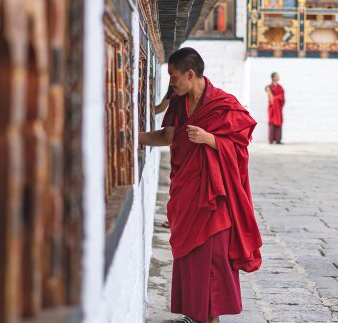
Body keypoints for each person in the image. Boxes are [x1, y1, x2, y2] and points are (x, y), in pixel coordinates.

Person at [139, 47, 262, 323]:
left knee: (213, 259)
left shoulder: (223, 104)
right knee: (190, 255)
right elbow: (168, 136)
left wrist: (210, 139)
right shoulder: (179, 102)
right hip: (187, 192)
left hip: (215, 197)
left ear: (190, 74)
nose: (171, 83)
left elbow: (240, 148)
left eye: (173, 77)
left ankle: (210, 317)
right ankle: (195, 314)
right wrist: (136, 138)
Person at [265, 72, 285, 144]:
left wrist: (277, 98)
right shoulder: (269, 87)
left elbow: (282, 97)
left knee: (279, 121)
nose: (278, 77)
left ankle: (278, 140)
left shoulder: (280, 87)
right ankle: (271, 139)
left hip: (278, 108)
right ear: (273, 77)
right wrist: (277, 98)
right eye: (277, 76)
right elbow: (271, 99)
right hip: (272, 107)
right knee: (272, 122)